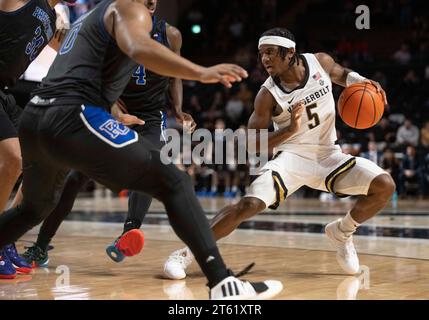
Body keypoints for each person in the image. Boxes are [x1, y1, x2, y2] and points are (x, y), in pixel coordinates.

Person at [0, 0, 282, 299]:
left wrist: (116, 112)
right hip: (72, 114)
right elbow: (139, 48)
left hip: (35, 116)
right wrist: (200, 72)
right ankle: (223, 285)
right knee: (174, 181)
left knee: (32, 208)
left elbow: (76, 71)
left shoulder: (86, 20)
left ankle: (43, 242)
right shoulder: (127, 8)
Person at [163, 27, 396, 280]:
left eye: (271, 53)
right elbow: (252, 144)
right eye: (262, 53)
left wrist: (365, 83)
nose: (264, 59)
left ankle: (342, 231)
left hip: (329, 155)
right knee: (248, 204)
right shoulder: (267, 95)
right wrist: (290, 130)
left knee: (384, 185)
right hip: (291, 158)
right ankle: (185, 254)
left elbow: (342, 74)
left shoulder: (320, 62)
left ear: (290, 53)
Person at [22, 0, 197, 266]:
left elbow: (175, 76)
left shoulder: (170, 34)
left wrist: (179, 108)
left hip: (150, 117)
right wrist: (113, 108)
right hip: (111, 111)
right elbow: (97, 72)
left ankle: (129, 233)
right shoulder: (111, 23)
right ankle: (40, 246)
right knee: (73, 178)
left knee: (152, 163)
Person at [0, 0, 74, 279]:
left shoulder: (55, 22)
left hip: (5, 93)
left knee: (42, 161)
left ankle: (7, 236)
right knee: (14, 158)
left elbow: (72, 48)